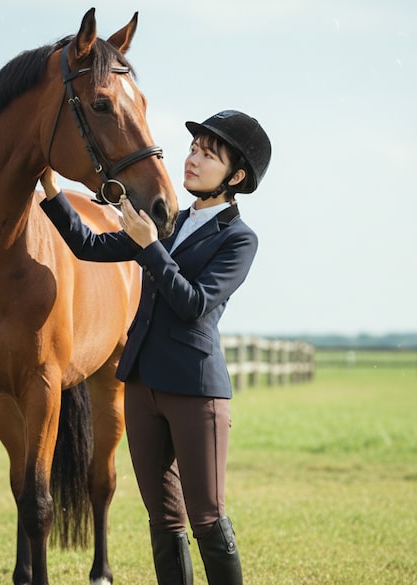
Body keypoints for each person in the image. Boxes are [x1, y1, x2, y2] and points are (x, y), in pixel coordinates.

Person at [39, 110, 271, 585]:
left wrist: (149, 247)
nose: (193, 159)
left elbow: (194, 304)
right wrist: (52, 190)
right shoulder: (167, 223)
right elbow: (89, 245)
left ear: (237, 176)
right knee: (163, 519)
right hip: (141, 387)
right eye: (193, 149)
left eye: (209, 154)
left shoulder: (239, 239)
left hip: (195, 393)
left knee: (206, 517)